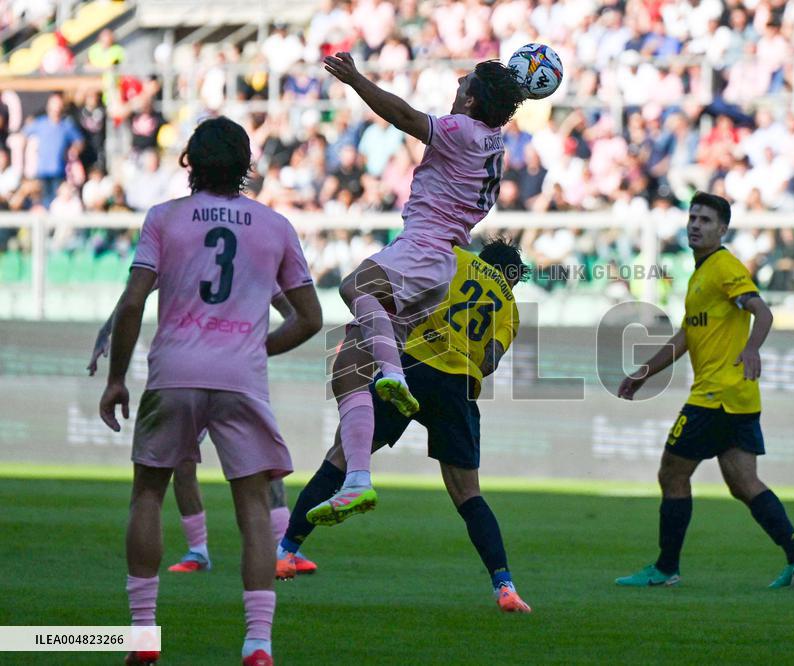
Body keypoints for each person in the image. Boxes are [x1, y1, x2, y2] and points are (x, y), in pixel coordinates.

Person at [98, 117, 322, 666]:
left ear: (189, 163)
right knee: (251, 507)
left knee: (148, 492)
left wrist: (115, 380)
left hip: (174, 371)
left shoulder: (164, 219)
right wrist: (252, 348)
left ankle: (144, 636)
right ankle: (259, 643)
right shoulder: (275, 226)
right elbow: (310, 319)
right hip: (240, 378)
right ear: (246, 167)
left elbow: (132, 304)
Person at [317, 52, 524, 523]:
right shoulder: (491, 142)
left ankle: (395, 376)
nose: (457, 81)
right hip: (440, 264)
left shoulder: (462, 130)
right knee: (349, 367)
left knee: (355, 287)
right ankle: (357, 481)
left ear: (471, 99)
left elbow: (405, 117)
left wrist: (355, 79)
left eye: (464, 80)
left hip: (426, 248)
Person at [280, 239, 532, 613]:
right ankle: (505, 586)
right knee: (469, 496)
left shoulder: (454, 259)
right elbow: (490, 361)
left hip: (411, 365)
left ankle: (286, 550)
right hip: (457, 387)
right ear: (511, 277)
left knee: (344, 453)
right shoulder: (509, 307)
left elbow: (407, 295)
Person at [616, 192, 794, 589]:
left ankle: (666, 568)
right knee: (744, 483)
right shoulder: (700, 275)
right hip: (739, 399)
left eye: (706, 220)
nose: (695, 225)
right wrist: (643, 372)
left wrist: (751, 348)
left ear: (722, 229)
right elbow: (686, 337)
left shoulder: (724, 267)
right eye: (692, 218)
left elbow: (762, 310)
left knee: (672, 473)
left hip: (714, 396)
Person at [87, 296, 319, 577]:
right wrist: (109, 326)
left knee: (262, 465)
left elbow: (294, 311)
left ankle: (285, 549)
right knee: (183, 462)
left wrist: (256, 347)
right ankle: (198, 551)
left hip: (231, 376)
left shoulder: (250, 257)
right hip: (191, 374)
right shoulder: (188, 253)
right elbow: (139, 290)